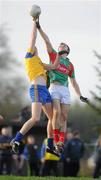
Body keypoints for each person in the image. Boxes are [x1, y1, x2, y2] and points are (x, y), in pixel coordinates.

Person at [35, 17, 88, 153]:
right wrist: (39, 27)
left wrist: (80, 95)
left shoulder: (70, 65)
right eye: (60, 45)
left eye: (64, 45)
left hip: (65, 90)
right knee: (56, 113)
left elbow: (74, 82)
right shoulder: (54, 56)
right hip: (54, 87)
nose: (61, 45)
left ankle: (60, 142)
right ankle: (56, 140)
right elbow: (46, 40)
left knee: (64, 117)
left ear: (67, 50)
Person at [11, 20, 60, 154]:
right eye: (34, 47)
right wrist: (34, 22)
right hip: (37, 89)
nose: (35, 48)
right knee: (36, 118)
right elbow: (33, 37)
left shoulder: (39, 62)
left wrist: (59, 56)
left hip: (44, 91)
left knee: (52, 118)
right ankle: (16, 139)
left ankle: (49, 145)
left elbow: (54, 66)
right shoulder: (30, 57)